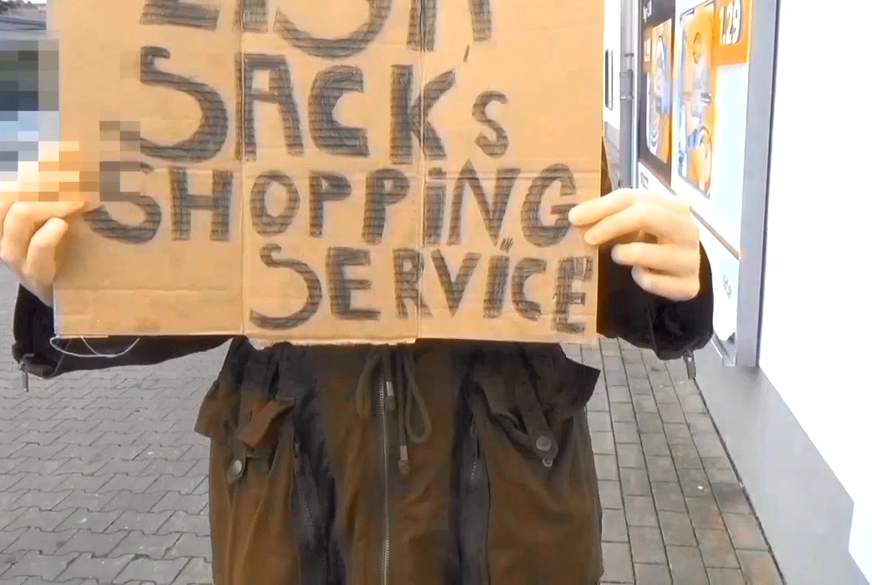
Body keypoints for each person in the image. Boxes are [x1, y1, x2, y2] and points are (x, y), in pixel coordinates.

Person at [2, 142, 713, 584]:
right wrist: (72, 290)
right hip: (293, 501)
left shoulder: (524, 63)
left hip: (504, 508)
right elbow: (185, 284)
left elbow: (590, 274)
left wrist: (678, 277)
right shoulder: (249, 66)